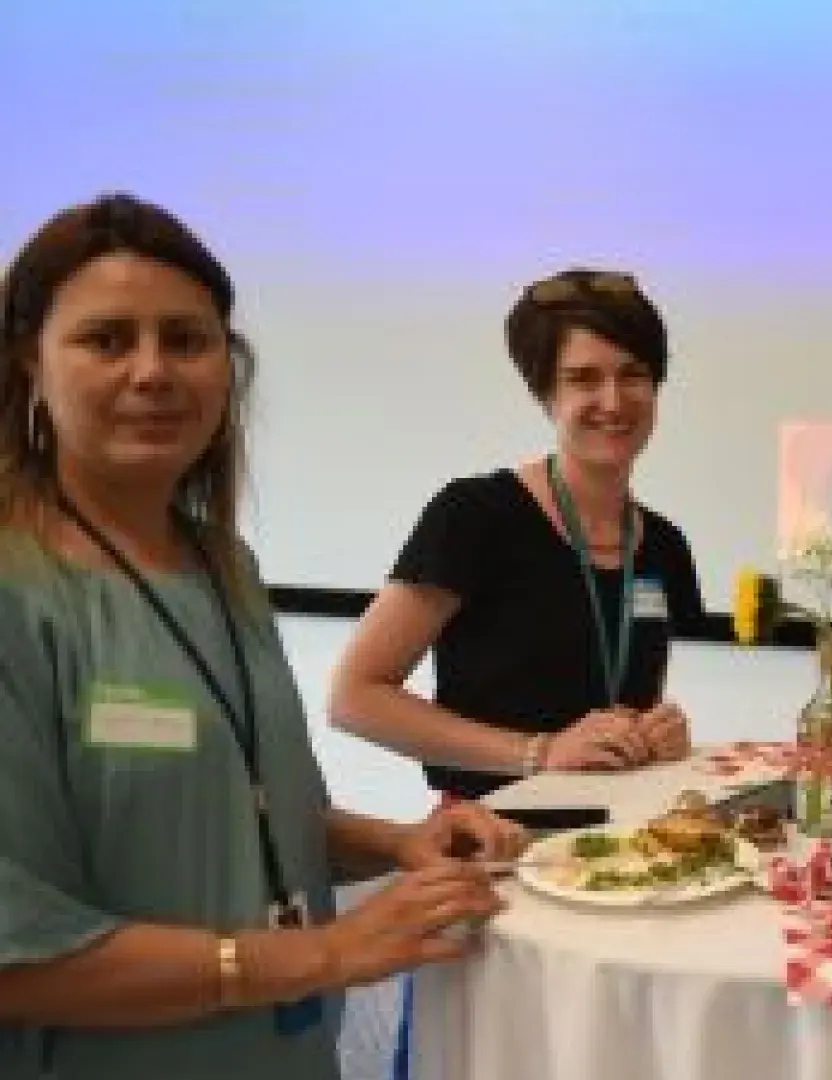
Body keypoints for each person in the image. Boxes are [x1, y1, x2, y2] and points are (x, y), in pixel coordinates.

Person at [0, 193, 524, 1080]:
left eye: (186, 339)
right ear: (28, 365)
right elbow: (16, 951)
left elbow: (250, 805)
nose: (153, 371)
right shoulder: (19, 592)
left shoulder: (222, 565)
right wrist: (319, 956)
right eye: (107, 339)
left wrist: (398, 844)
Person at [328, 267, 704, 802]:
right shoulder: (473, 516)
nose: (614, 401)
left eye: (633, 373)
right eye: (583, 378)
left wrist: (656, 735)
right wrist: (538, 753)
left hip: (618, 846)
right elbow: (355, 699)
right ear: (545, 394)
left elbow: (615, 698)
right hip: (492, 842)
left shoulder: (665, 545)